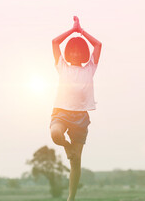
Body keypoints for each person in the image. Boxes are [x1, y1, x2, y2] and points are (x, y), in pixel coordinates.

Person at [50, 16, 102, 201]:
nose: (73, 55)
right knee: (56, 134)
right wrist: (73, 30)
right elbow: (55, 42)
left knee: (76, 161)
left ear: (84, 54)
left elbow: (98, 45)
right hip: (61, 112)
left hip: (80, 117)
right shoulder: (62, 66)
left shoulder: (90, 68)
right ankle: (67, 146)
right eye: (71, 52)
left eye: (78, 52)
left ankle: (71, 198)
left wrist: (82, 32)